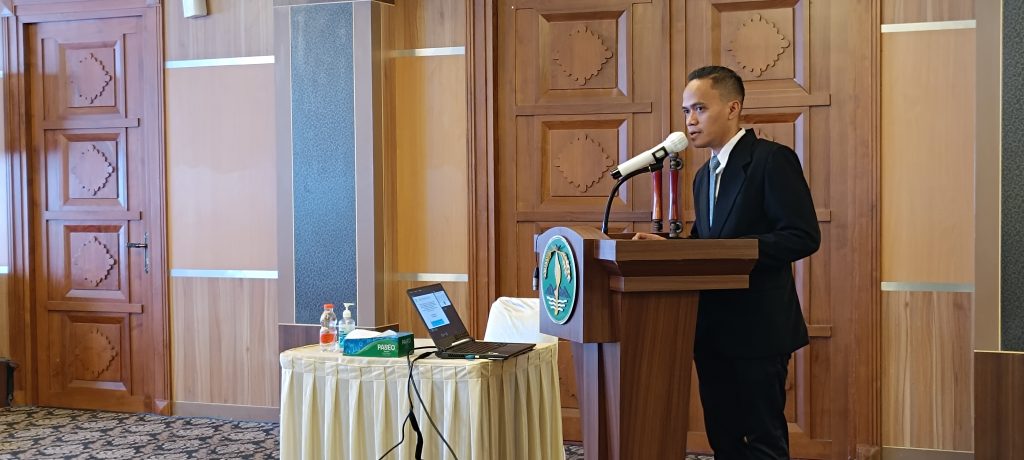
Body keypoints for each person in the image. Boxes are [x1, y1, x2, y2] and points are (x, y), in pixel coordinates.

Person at [683, 65, 820, 459]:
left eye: (699, 109)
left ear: (732, 108)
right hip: (712, 330)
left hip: (759, 329)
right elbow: (705, 243)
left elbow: (803, 235)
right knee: (723, 439)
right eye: (685, 111)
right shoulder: (703, 176)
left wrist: (735, 252)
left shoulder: (771, 160)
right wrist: (663, 247)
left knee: (763, 442)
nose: (690, 121)